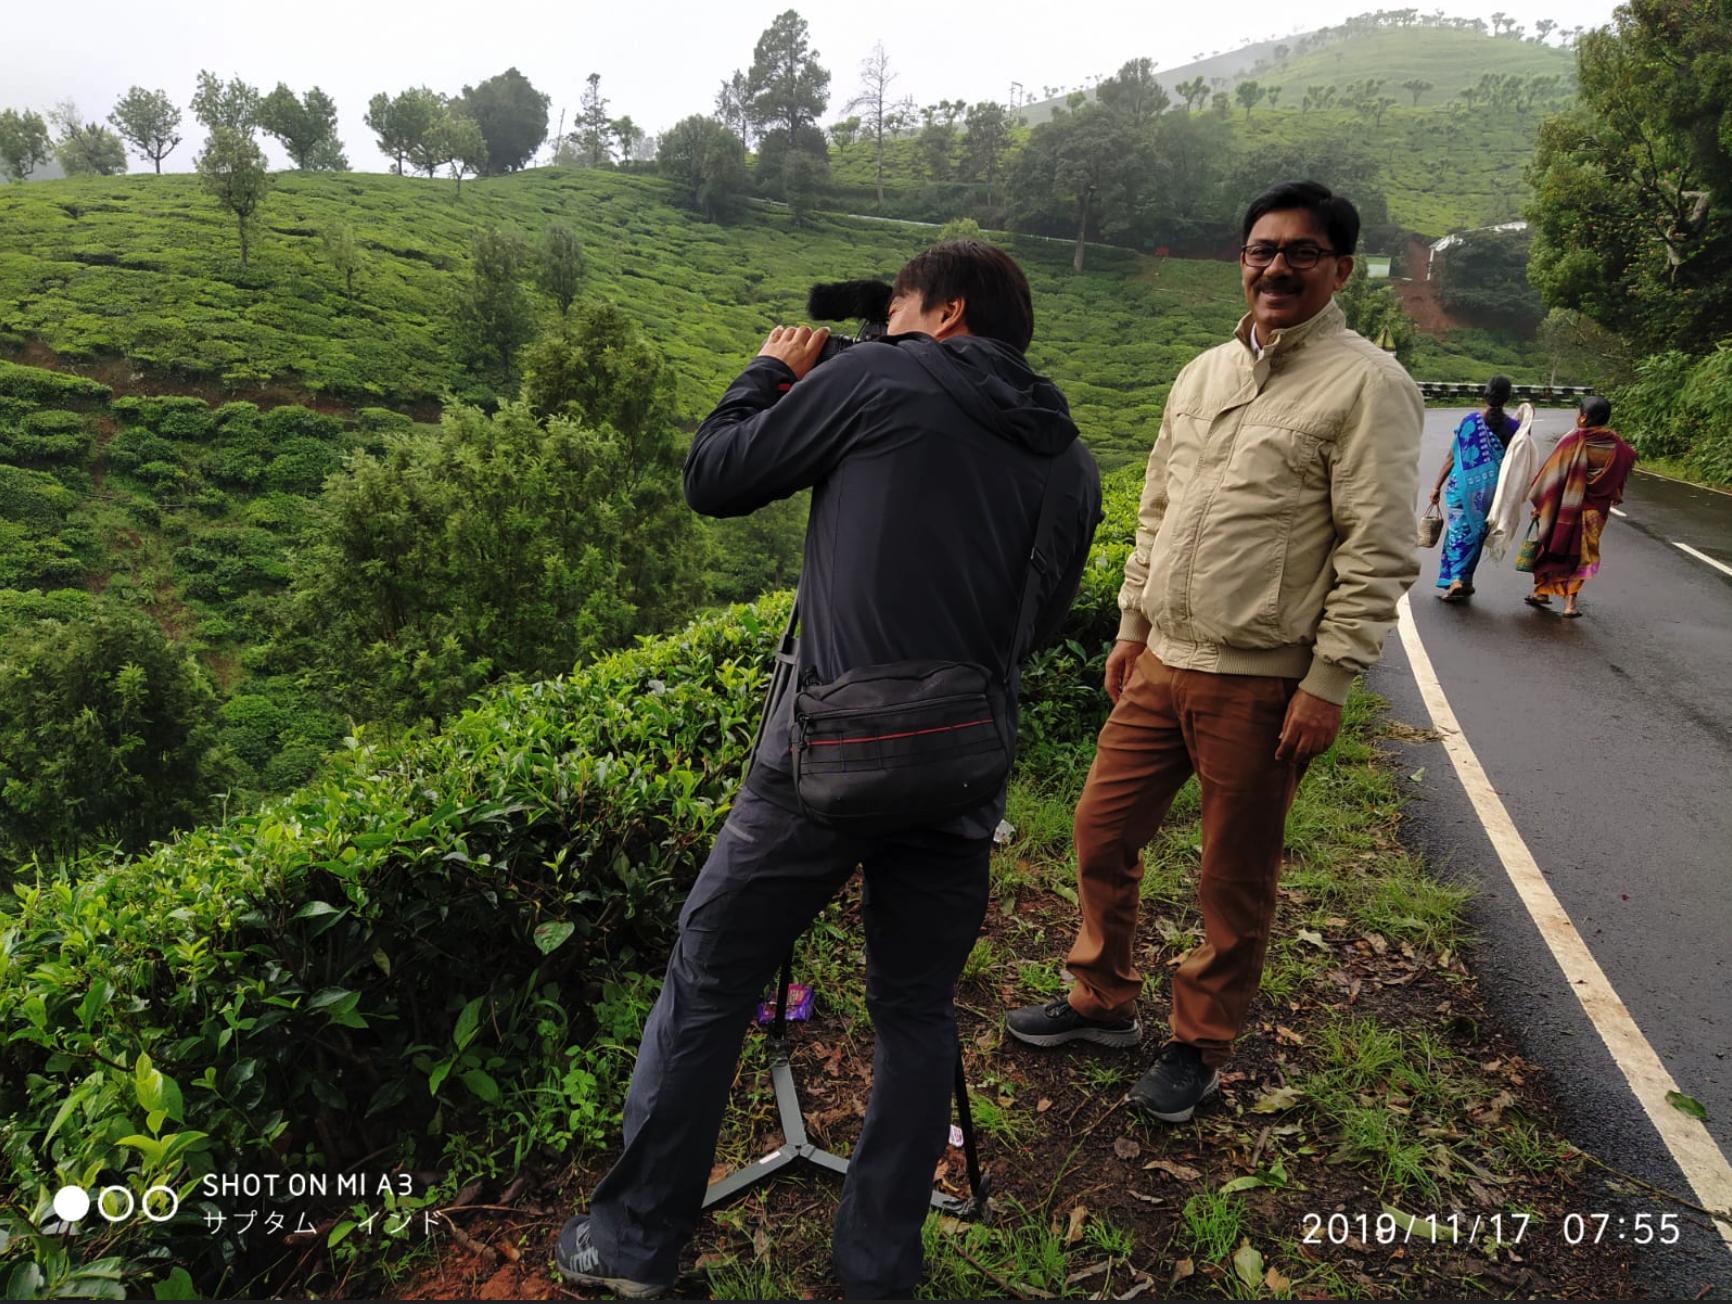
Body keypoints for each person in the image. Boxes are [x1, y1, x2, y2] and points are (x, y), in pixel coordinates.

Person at [554, 240, 1101, 1300]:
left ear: (941, 313)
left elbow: (714, 475)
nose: (880, 324)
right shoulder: (1067, 459)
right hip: (962, 770)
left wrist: (772, 370)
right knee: (914, 1010)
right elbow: (1038, 622)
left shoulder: (878, 376)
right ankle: (874, 1274)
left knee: (712, 975)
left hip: (821, 762)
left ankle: (629, 1247)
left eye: (894, 307)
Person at [1006, 180, 1423, 1123]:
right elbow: (1157, 508)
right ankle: (1100, 998)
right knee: (1101, 831)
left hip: (1265, 681)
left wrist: (1328, 681)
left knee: (1233, 874)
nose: (1275, 267)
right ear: (1242, 261)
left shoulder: (1367, 386)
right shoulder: (1203, 374)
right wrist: (1130, 627)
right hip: (1162, 661)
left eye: (1300, 253)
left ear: (1340, 269)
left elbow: (1380, 546)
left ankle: (1199, 1041)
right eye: (1260, 250)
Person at [1524, 394, 1637, 619]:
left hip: (1565, 507)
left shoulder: (1573, 440)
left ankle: (1546, 592)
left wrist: (1541, 505)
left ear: (1584, 418)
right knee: (1582, 554)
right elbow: (1619, 475)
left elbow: (1552, 475)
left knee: (1554, 547)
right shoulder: (1618, 445)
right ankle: (1564, 601)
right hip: (1596, 511)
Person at [1428, 375, 1520, 601]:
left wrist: (1436, 486)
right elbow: (1517, 463)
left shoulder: (1469, 421)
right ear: (1508, 398)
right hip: (1490, 492)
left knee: (1458, 531)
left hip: (1461, 489)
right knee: (1477, 534)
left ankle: (1456, 580)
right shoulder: (1515, 427)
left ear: (1485, 395)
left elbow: (1451, 457)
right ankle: (1466, 580)